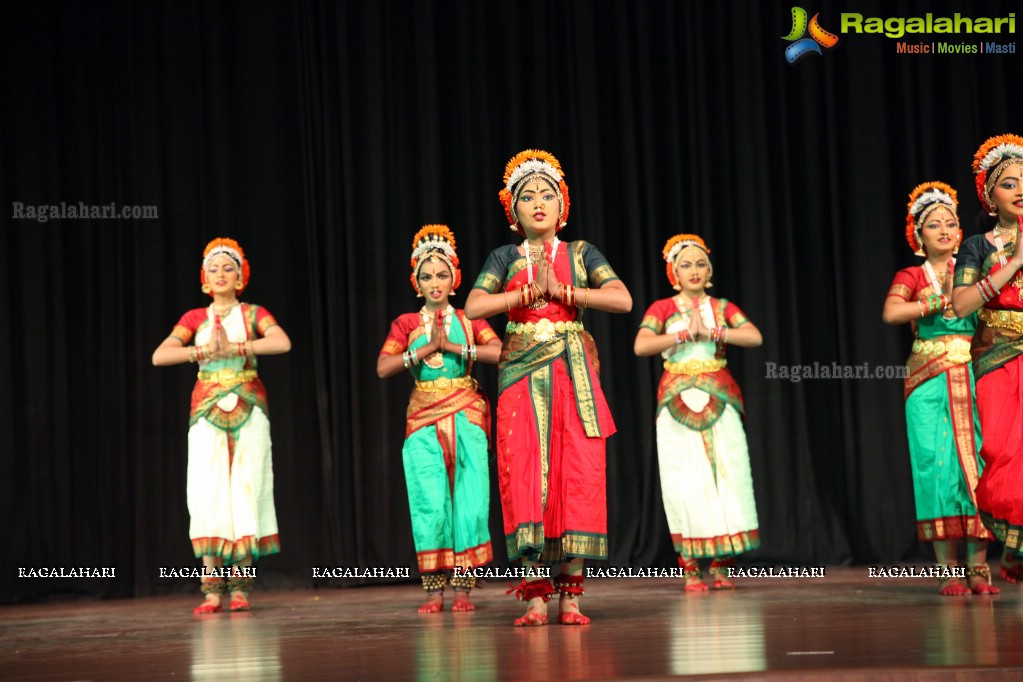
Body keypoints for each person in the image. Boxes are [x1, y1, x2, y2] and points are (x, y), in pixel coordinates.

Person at [465, 149, 632, 625]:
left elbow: (621, 299)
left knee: (575, 472)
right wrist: (525, 294)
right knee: (524, 474)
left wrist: (566, 294)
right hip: (521, 375)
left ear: (563, 205)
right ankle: (536, 595)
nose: (539, 202)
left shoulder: (582, 253)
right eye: (527, 196)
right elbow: (475, 307)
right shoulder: (504, 257)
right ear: (512, 211)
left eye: (548, 194)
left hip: (571, 373)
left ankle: (572, 596)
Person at [152, 238, 291, 613]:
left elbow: (281, 343)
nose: (220, 274)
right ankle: (212, 590)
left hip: (248, 404)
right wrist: (202, 352)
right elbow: (160, 355)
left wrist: (238, 349)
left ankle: (242, 587)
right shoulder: (194, 319)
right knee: (207, 491)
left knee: (248, 486)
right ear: (203, 280)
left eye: (228, 268)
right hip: (207, 408)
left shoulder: (253, 314)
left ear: (241, 277)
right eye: (213, 269)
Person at [377, 224, 502, 613]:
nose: (435, 282)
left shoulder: (470, 319)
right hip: (423, 418)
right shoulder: (406, 324)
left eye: (442, 275)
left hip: (466, 410)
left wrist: (451, 346)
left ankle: (463, 589)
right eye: (427, 276)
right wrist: (424, 349)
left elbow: (500, 353)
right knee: (429, 500)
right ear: (416, 281)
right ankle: (434, 589)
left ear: (455, 279)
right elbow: (384, 367)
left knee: (471, 499)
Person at [882, 182, 996, 595]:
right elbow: (892, 312)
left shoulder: (975, 268)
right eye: (934, 225)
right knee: (936, 467)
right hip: (928, 381)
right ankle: (949, 570)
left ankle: (979, 568)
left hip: (973, 371)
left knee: (978, 463)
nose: (945, 230)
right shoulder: (912, 275)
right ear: (919, 236)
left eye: (951, 223)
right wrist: (934, 302)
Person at [633, 234, 762, 591]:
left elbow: (754, 337)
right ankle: (689, 565)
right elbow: (641, 345)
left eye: (700, 263)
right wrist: (683, 337)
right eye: (685, 264)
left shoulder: (722, 307)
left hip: (720, 396)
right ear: (673, 272)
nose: (694, 270)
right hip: (676, 399)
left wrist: (714, 332)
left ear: (710, 271)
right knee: (682, 478)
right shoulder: (661, 308)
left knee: (730, 473)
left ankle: (724, 563)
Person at [952, 133, 1023, 584]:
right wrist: (1013, 263)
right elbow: (960, 306)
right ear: (990, 196)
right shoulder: (979, 245)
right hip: (997, 356)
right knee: (1000, 451)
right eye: (1010, 183)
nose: (1021, 190)